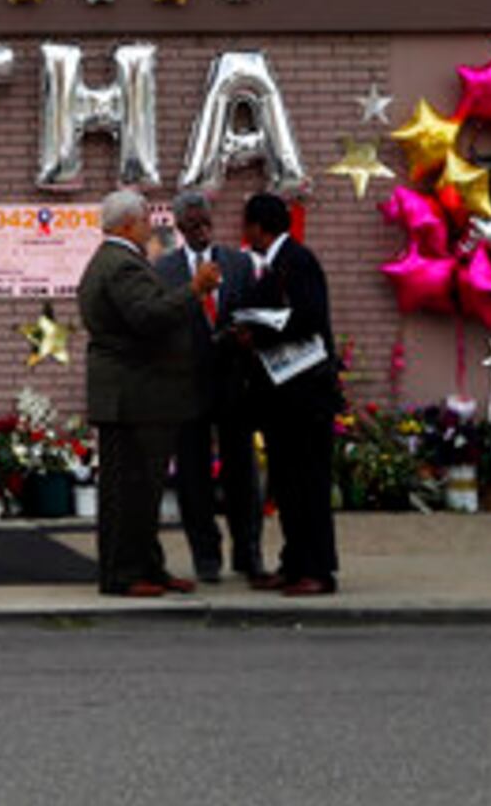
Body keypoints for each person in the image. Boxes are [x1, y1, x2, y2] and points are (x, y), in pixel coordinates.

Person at [73, 186, 209, 600]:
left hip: (133, 394)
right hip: (135, 396)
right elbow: (148, 317)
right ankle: (124, 573)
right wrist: (195, 289)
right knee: (132, 490)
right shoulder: (122, 265)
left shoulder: (114, 260)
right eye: (147, 220)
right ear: (129, 223)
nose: (152, 227)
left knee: (142, 488)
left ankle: (149, 565)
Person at [234, 187, 344, 596]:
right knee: (288, 484)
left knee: (309, 483)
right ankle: (293, 561)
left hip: (305, 396)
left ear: (259, 228)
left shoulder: (298, 261)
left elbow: (308, 317)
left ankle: (318, 569)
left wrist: (257, 332)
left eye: (246, 225)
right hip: (281, 397)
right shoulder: (273, 264)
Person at [157, 190, 259, 585]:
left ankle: (247, 553)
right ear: (179, 227)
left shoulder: (237, 263)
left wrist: (243, 334)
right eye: (193, 225)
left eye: (206, 224)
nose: (201, 232)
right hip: (187, 384)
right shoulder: (164, 270)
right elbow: (162, 321)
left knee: (242, 475)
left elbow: (254, 311)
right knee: (193, 476)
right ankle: (206, 555)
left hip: (233, 382)